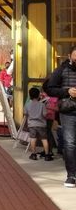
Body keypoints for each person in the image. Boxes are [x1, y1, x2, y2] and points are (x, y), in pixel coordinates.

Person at [44, 45, 76, 187]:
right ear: (69, 56)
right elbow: (49, 88)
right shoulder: (61, 70)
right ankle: (71, 175)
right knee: (70, 143)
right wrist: (67, 91)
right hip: (68, 111)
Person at [24, 87, 52, 161]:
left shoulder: (27, 105)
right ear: (38, 95)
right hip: (41, 125)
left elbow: (25, 114)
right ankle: (47, 155)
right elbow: (45, 114)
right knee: (44, 139)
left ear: (30, 95)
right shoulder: (42, 105)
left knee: (33, 139)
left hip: (32, 125)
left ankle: (34, 154)